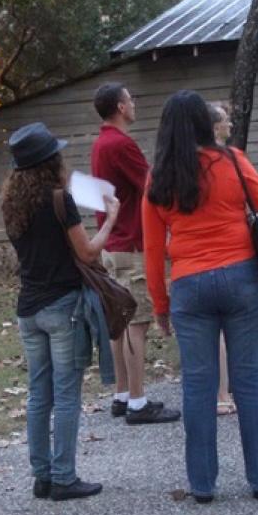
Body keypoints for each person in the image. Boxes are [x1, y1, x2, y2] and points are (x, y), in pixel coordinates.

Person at [143, 90, 258, 503]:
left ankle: (202, 483)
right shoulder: (233, 162)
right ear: (207, 123)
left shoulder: (158, 178)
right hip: (242, 277)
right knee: (250, 381)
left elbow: (153, 250)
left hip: (189, 284)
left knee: (198, 386)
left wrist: (160, 306)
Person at [2, 122, 121, 502]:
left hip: (28, 308)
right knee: (67, 392)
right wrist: (112, 219)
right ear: (51, 160)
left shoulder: (12, 202)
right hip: (62, 305)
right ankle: (64, 477)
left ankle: (42, 475)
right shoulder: (59, 200)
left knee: (39, 394)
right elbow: (87, 252)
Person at [90, 82, 180, 425]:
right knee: (137, 323)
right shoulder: (121, 144)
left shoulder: (100, 144)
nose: (134, 103)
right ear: (120, 107)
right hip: (130, 242)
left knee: (119, 322)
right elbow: (151, 186)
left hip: (112, 243)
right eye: (130, 99)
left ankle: (122, 393)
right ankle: (139, 402)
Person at [207, 102, 236, 416]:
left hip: (191, 268)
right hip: (228, 262)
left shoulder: (178, 165)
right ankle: (224, 393)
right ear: (214, 127)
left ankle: (215, 393)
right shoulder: (231, 161)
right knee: (223, 335)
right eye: (226, 120)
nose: (230, 124)